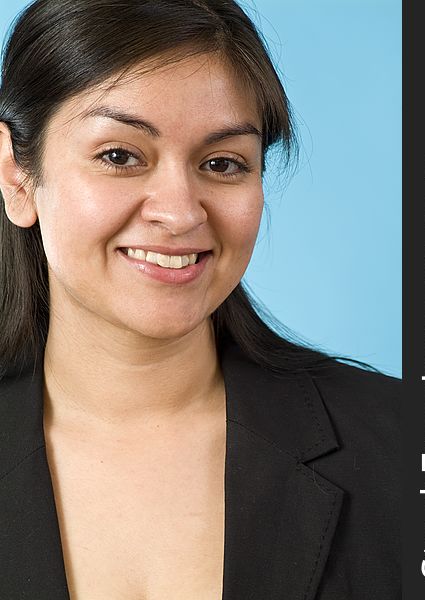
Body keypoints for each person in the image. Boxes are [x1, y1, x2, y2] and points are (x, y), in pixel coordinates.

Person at [0, 1, 400, 598]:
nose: (181, 212)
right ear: (16, 176)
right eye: (120, 156)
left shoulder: (414, 450)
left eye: (222, 163)